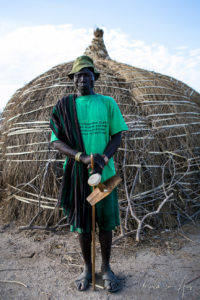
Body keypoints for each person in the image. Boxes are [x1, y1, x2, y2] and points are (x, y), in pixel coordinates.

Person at [50, 55, 128, 292]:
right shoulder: (64, 107)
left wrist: (104, 159)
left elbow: (117, 135)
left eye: (87, 74)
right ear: (73, 80)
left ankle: (106, 269)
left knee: (105, 225)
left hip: (105, 177)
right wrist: (81, 157)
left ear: (95, 77)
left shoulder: (107, 103)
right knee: (83, 226)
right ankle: (86, 268)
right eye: (78, 75)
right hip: (77, 177)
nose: (83, 79)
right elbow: (56, 141)